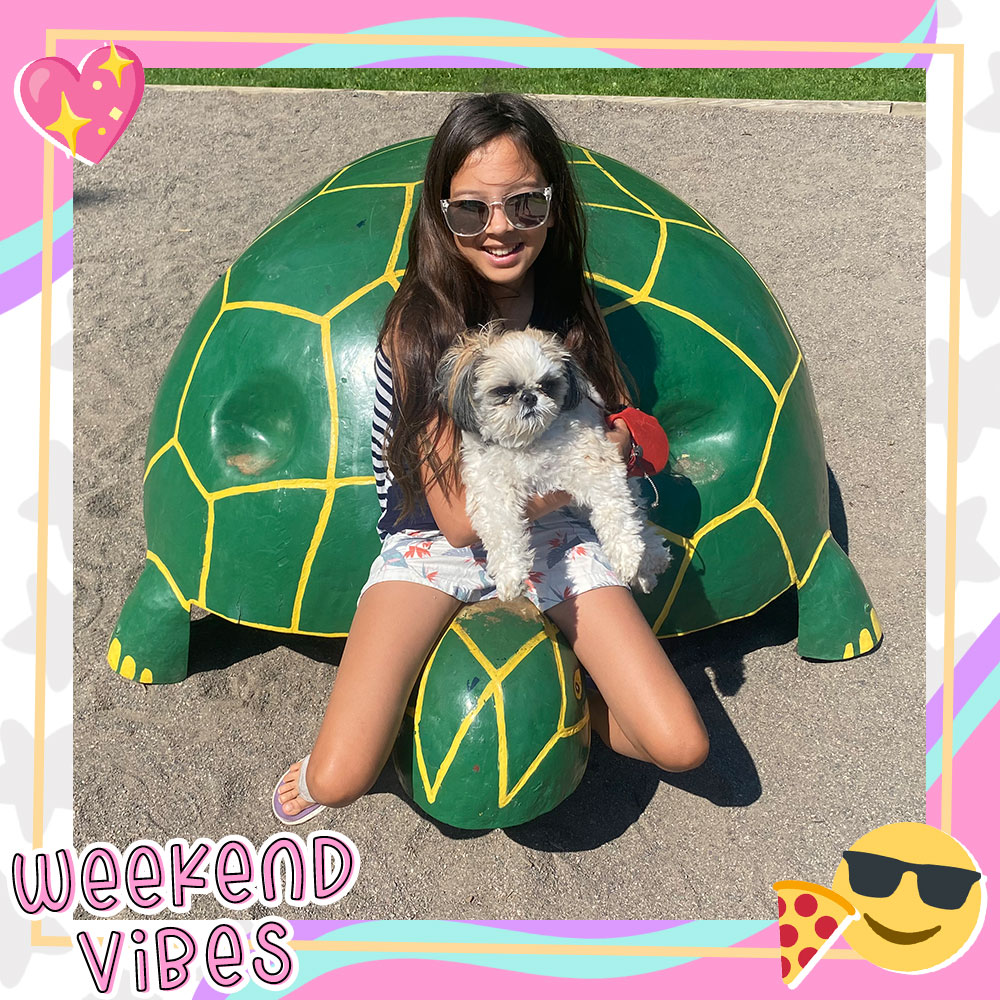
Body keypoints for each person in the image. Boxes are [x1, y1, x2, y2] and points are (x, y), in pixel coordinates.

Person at [273, 93, 708, 824]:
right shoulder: (419, 332)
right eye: (472, 211)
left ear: (554, 206)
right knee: (338, 777)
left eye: (525, 205)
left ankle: (564, 715)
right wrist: (593, 465)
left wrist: (618, 445)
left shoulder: (568, 311)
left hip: (559, 540)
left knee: (680, 745)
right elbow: (460, 522)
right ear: (441, 215)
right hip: (432, 545)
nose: (500, 228)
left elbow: (604, 424)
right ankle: (396, 736)